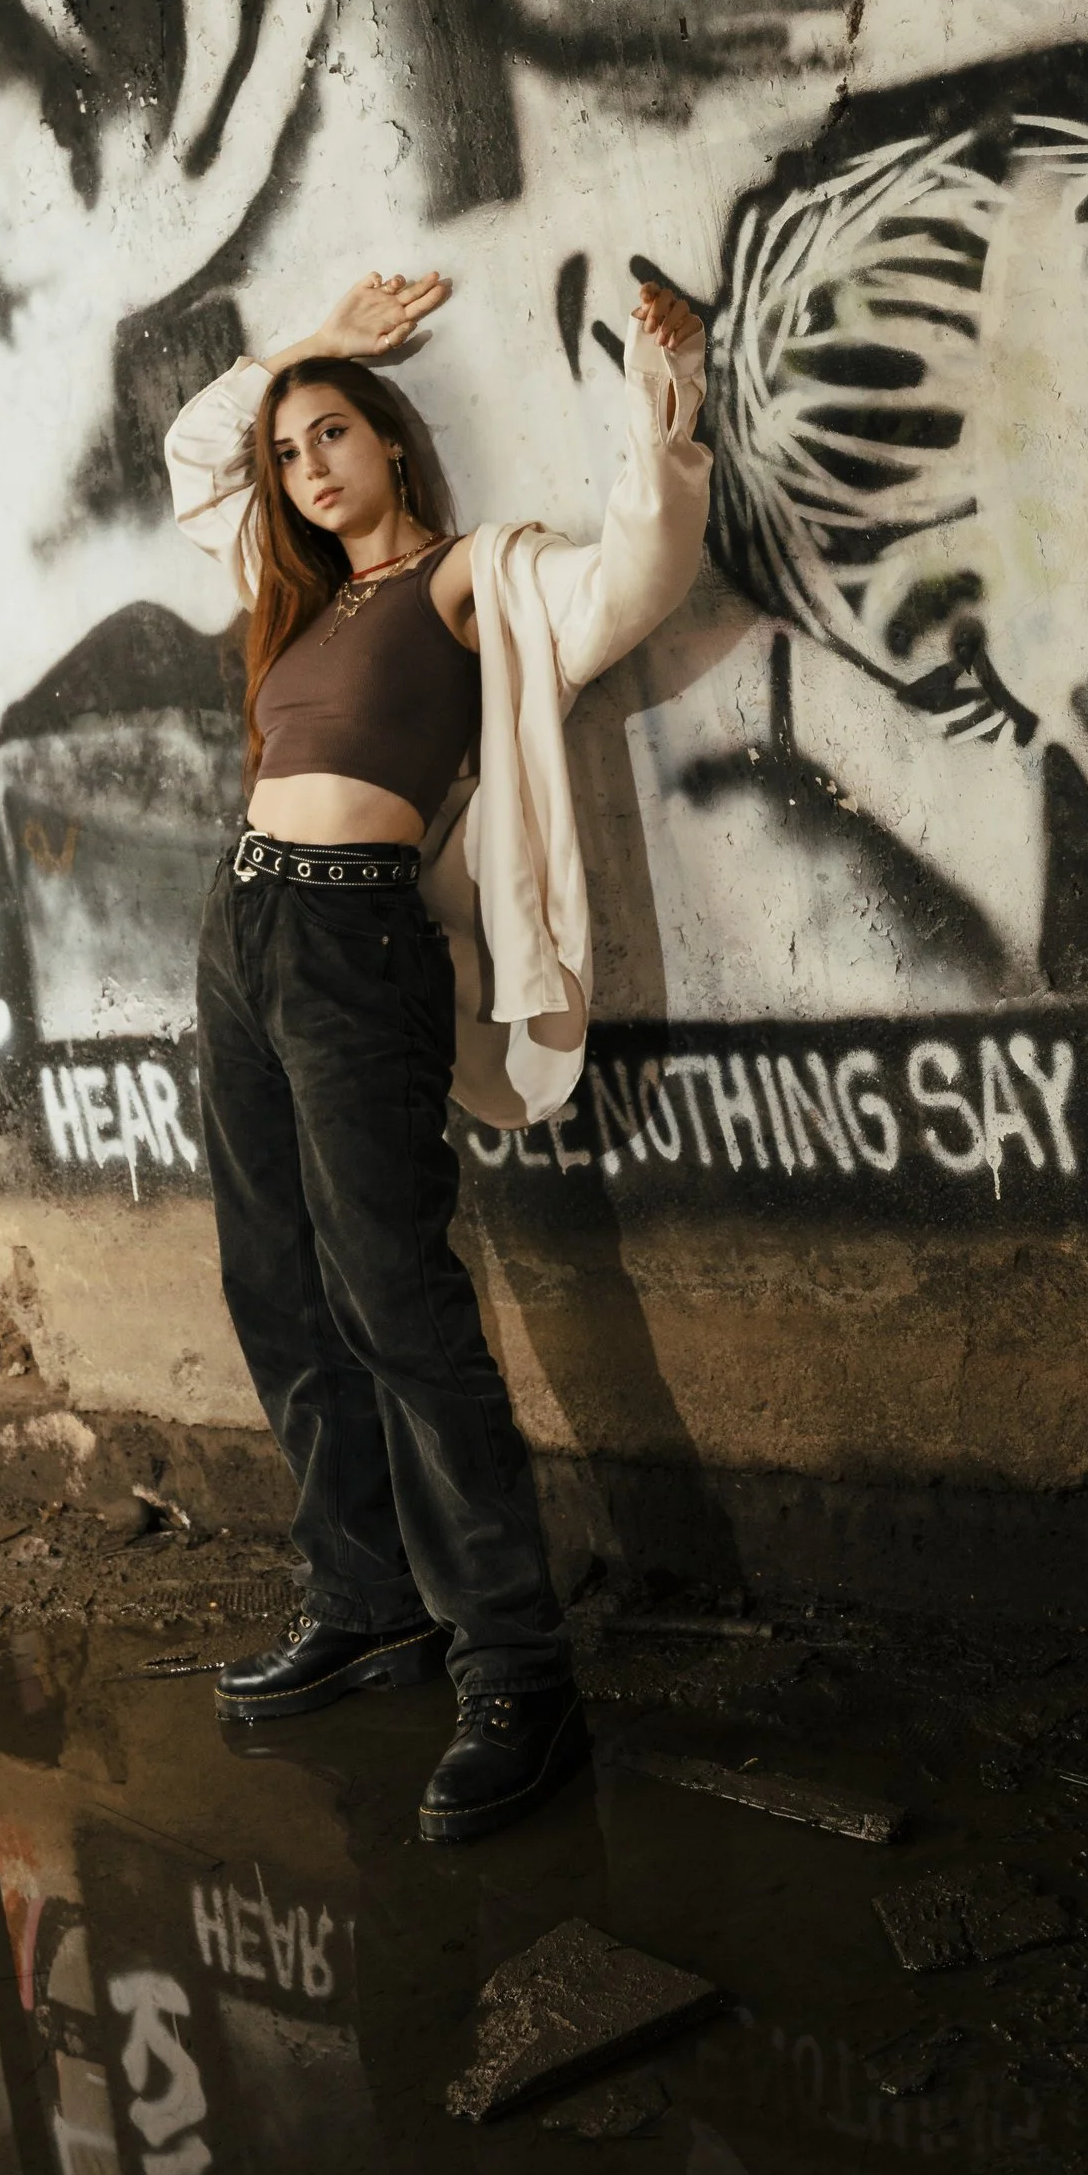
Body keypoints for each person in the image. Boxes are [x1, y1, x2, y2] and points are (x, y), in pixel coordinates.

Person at [164, 262, 709, 1840]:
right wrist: (308, 341)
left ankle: (520, 1674)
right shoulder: (298, 599)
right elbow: (200, 449)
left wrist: (660, 396)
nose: (304, 464)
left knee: (398, 1296)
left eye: (333, 432)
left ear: (393, 446)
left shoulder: (474, 574)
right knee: (276, 1282)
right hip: (241, 931)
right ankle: (367, 1594)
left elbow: (636, 577)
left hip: (354, 940)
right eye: (291, 450)